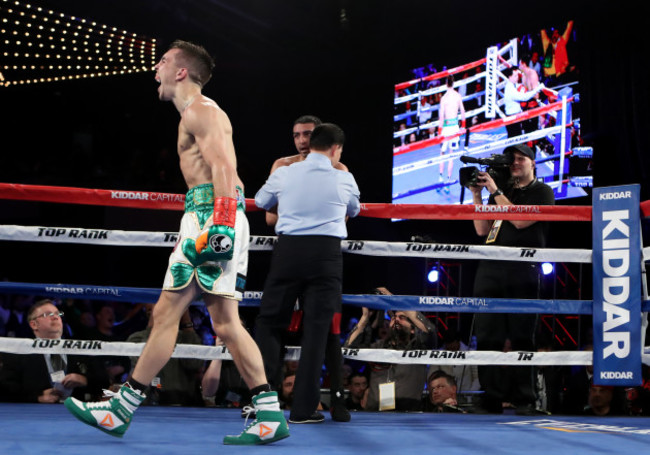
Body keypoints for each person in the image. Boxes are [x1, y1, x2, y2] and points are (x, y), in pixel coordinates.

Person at [64, 39, 289, 446]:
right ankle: (269, 414)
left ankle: (121, 409)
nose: (156, 69)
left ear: (182, 71)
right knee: (225, 323)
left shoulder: (201, 110)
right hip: (214, 214)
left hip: (211, 216)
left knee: (167, 313)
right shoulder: (194, 113)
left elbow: (224, 165)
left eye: (164, 62)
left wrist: (218, 225)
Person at [254, 122, 360, 424]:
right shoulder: (344, 177)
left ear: (310, 143)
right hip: (326, 255)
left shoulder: (285, 172)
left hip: (288, 251)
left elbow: (262, 202)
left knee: (270, 321)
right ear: (336, 149)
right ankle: (302, 410)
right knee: (317, 330)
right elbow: (353, 210)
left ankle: (264, 401)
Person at [469, 143, 555, 415]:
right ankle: (491, 398)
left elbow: (519, 222)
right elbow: (483, 230)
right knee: (487, 336)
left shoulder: (542, 191)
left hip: (521, 267)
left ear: (533, 164)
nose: (515, 163)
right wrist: (476, 196)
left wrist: (496, 191)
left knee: (521, 335)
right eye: (512, 159)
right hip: (490, 266)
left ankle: (525, 399)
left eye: (521, 159)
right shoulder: (504, 192)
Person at [344, 287, 436, 412]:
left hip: (408, 416)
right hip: (375, 415)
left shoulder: (420, 347)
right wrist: (364, 319)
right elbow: (348, 349)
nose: (396, 319)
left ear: (413, 328)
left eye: (402, 317)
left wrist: (395, 300)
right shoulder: (378, 347)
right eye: (393, 318)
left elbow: (430, 331)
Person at [0, 299, 108, 403]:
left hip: (75, 415)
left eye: (58, 313)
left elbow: (104, 382)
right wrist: (37, 397)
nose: (55, 317)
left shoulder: (79, 348)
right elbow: (5, 389)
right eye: (48, 314)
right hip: (33, 415)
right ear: (34, 324)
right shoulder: (18, 352)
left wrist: (85, 380)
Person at [126, 305, 204, 406]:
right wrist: (154, 324)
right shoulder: (136, 338)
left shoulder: (185, 338)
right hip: (147, 405)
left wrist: (187, 322)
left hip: (182, 403)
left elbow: (194, 364)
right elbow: (145, 362)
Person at [437, 75, 466, 188]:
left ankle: (440, 177)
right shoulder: (457, 96)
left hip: (446, 127)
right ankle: (448, 180)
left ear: (446, 84)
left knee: (442, 154)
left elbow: (441, 117)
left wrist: (439, 132)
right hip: (455, 127)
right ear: (453, 83)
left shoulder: (444, 98)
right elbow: (463, 112)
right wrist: (463, 127)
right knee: (451, 155)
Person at [501, 67, 545, 138]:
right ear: (510, 77)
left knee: (515, 140)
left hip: (514, 117)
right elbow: (524, 97)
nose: (517, 77)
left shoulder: (512, 85)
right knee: (515, 141)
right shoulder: (510, 89)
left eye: (517, 75)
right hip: (513, 119)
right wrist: (538, 89)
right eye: (515, 76)